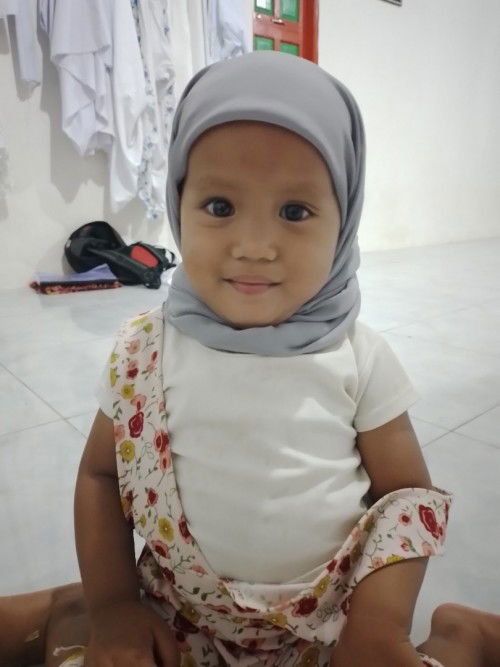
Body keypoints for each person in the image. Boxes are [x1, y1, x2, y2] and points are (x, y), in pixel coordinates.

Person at [1, 50, 499, 667]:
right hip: (179, 616)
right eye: (220, 207)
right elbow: (100, 477)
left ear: (345, 220)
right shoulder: (143, 354)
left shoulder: (357, 357)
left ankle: (462, 634)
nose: (255, 246)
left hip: (329, 631)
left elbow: (405, 500)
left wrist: (377, 627)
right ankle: (74, 609)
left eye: (295, 212)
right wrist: (113, 606)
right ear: (178, 203)